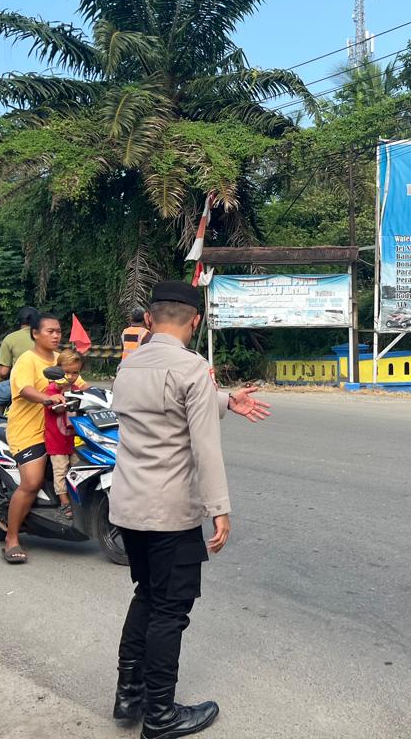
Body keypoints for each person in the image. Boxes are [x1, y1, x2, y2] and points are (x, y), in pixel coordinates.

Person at [109, 280, 270, 738]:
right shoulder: (193, 368)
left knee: (146, 594)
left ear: (148, 319)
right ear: (195, 320)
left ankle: (129, 694)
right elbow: (205, 446)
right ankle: (160, 715)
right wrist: (220, 508)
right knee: (170, 610)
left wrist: (225, 399)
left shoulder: (128, 365)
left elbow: (164, 403)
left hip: (129, 506)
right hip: (170, 511)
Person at [1, 313, 65, 564]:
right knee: (32, 481)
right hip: (29, 430)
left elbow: (78, 382)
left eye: (58, 331)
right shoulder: (27, 360)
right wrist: (46, 398)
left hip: (58, 429)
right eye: (50, 331)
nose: (56, 335)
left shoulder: (61, 359)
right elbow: (25, 389)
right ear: (35, 334)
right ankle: (12, 538)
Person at [43, 349, 89, 519]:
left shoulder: (77, 389)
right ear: (58, 371)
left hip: (74, 439)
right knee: (61, 470)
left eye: (75, 373)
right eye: (66, 372)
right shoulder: (51, 390)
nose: (70, 376)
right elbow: (56, 408)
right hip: (56, 440)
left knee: (78, 468)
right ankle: (64, 503)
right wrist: (59, 398)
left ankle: (79, 499)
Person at [0, 306, 40, 415]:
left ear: (20, 321)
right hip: (43, 383)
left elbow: (4, 371)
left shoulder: (10, 338)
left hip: (19, 384)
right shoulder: (43, 337)